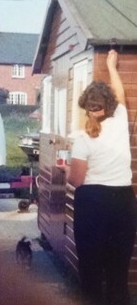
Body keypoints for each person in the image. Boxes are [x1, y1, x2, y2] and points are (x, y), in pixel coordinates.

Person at [62, 50, 137, 304]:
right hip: (124, 201)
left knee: (91, 271)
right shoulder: (119, 119)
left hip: (93, 203)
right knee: (118, 273)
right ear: (109, 106)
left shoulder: (83, 139)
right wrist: (112, 66)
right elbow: (119, 92)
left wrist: (66, 172)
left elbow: (78, 180)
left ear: (87, 108)